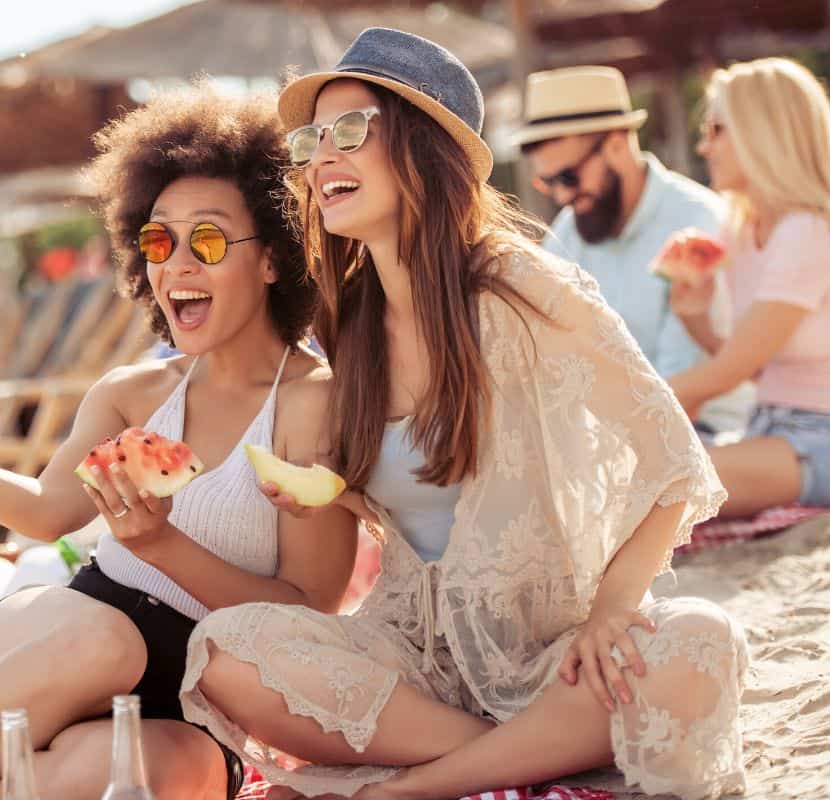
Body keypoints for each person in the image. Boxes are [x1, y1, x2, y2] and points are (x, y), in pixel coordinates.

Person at [179, 28, 748, 800]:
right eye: (310, 140)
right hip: (420, 663)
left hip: (554, 652)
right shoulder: (349, 320)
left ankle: (408, 787)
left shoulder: (524, 289)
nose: (320, 159)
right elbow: (414, 508)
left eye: (350, 132)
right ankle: (520, 756)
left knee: (699, 643)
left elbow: (677, 461)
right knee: (223, 650)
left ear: (424, 147)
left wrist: (612, 611)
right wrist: (330, 491)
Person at [0, 83, 359, 800]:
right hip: (61, 634)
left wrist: (163, 546)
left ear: (273, 258)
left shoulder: (311, 404)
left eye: (206, 239)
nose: (177, 266)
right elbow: (46, 513)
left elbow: (307, 611)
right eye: (159, 241)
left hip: (195, 699)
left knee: (178, 777)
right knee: (108, 641)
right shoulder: (132, 393)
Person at [515, 65, 751, 439]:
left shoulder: (697, 220)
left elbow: (681, 387)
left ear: (615, 144)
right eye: (549, 182)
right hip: (602, 434)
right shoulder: (568, 229)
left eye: (568, 177)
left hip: (701, 432)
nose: (562, 197)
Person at [667, 57, 830, 518]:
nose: (703, 147)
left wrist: (617, 406)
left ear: (761, 131)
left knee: (663, 480)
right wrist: (697, 322)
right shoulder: (742, 229)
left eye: (716, 130)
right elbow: (755, 366)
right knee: (658, 476)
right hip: (768, 429)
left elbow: (725, 372)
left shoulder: (809, 230)